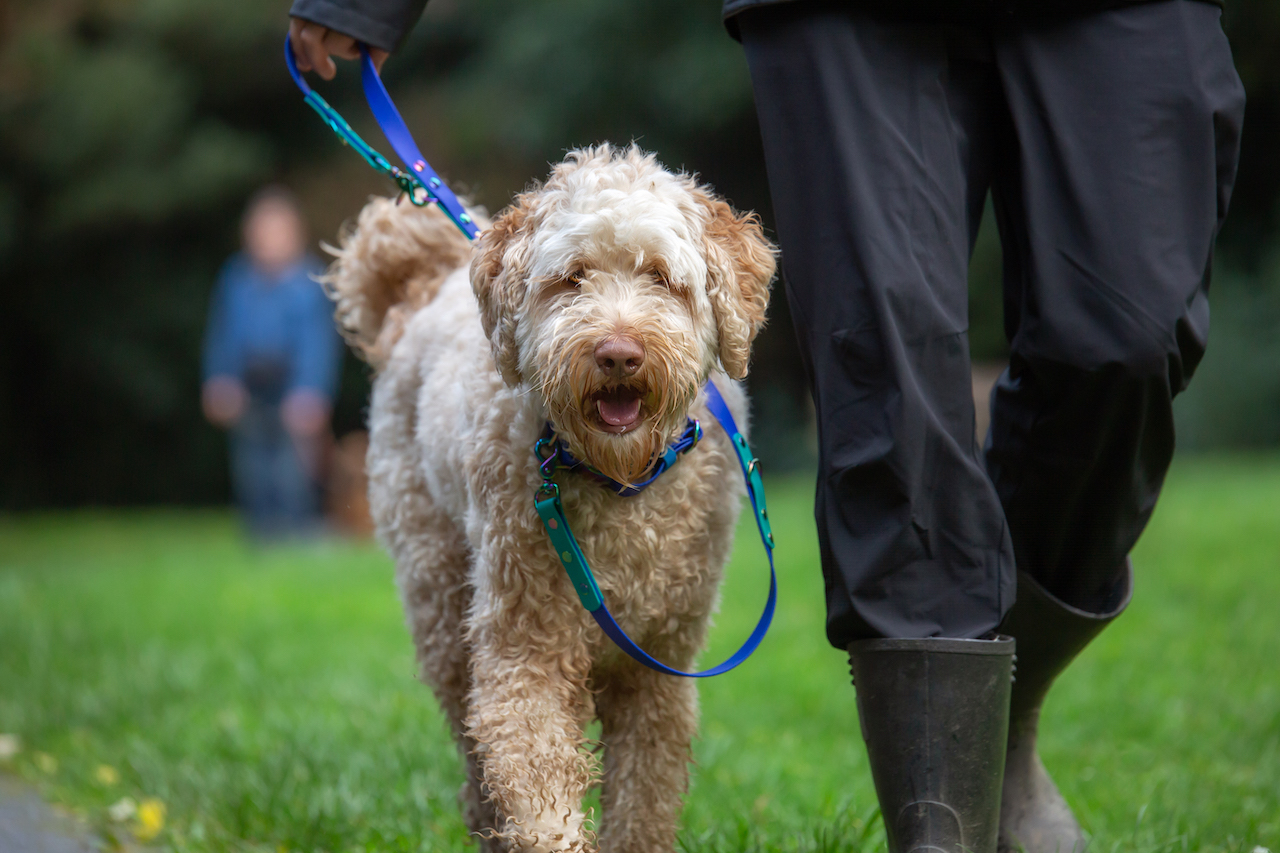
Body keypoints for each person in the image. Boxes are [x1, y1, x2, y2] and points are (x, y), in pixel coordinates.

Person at [284, 3, 1245, 851]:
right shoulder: (491, 400)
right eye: (574, 284)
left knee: (1127, 336)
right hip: (840, 17)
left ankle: (1005, 715)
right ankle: (939, 817)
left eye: (658, 283)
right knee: (886, 361)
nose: (617, 338)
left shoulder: (710, 421)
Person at [202, 186, 342, 540]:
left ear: (296, 236)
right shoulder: (236, 280)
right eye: (262, 234)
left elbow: (317, 343)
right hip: (248, 387)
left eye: (278, 234)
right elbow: (224, 335)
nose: (270, 242)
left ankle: (299, 530)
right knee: (251, 465)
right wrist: (220, 379)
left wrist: (310, 392)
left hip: (292, 389)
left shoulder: (307, 283)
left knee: (293, 467)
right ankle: (259, 532)